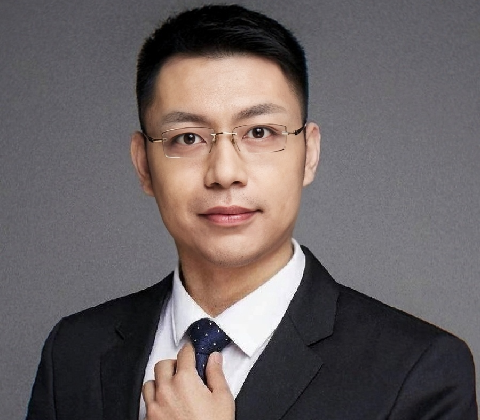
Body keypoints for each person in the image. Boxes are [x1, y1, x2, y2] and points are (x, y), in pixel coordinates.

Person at [26, 4, 477, 420]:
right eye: (188, 138)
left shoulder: (420, 372)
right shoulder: (74, 352)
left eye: (259, 132)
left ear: (309, 153)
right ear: (144, 164)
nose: (225, 173)